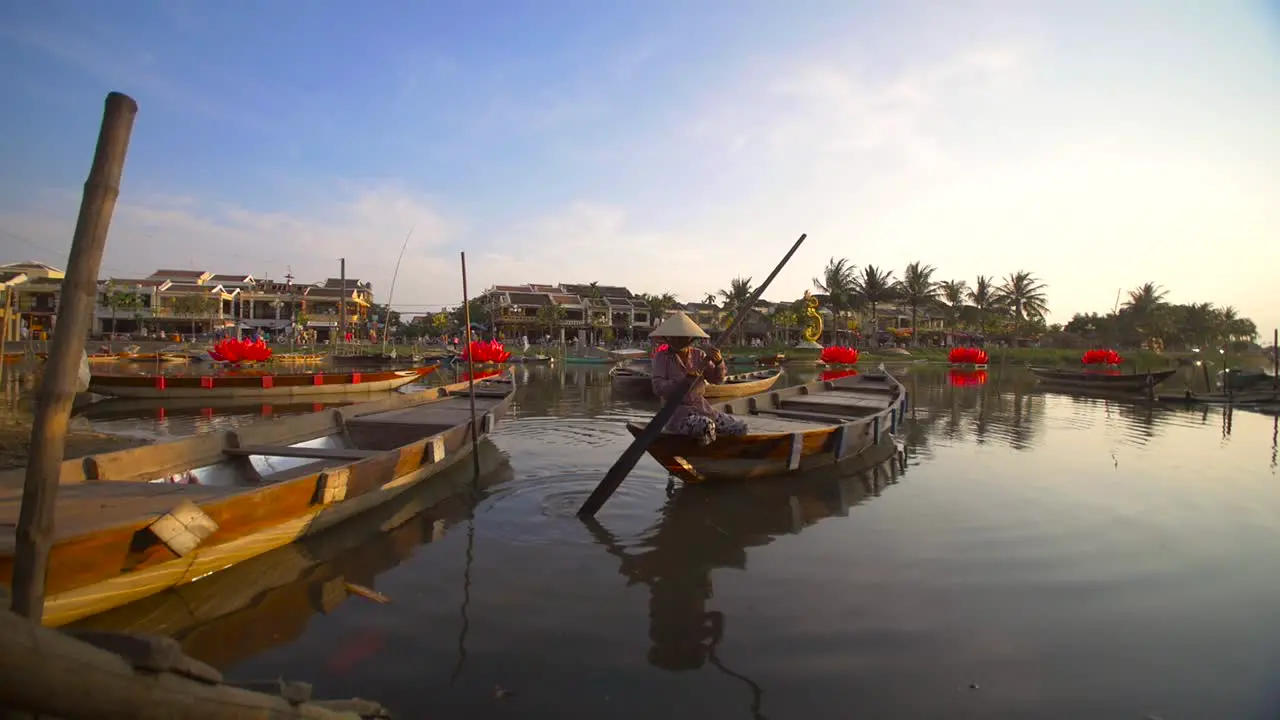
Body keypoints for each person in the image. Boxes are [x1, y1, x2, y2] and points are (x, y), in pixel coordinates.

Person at [649, 311, 748, 444]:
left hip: (703, 409)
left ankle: (721, 451)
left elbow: (717, 380)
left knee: (739, 427)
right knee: (705, 426)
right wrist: (684, 379)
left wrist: (719, 362)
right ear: (667, 338)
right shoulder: (661, 358)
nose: (678, 341)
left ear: (691, 338)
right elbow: (658, 388)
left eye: (682, 337)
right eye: (674, 337)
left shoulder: (699, 355)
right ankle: (704, 452)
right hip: (677, 415)